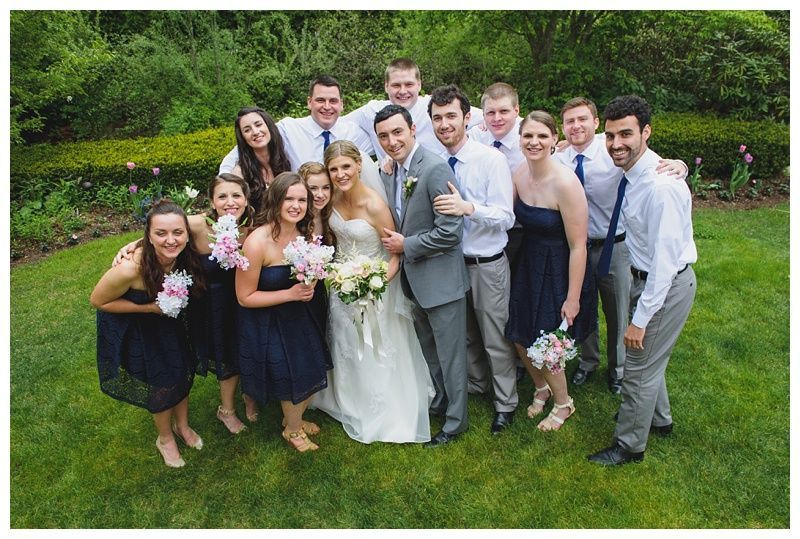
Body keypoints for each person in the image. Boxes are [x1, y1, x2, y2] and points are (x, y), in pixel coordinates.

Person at [587, 95, 696, 466]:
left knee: (636, 369)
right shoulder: (639, 171)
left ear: (646, 132)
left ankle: (630, 445)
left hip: (663, 285)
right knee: (649, 360)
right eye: (611, 135)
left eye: (626, 134)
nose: (616, 144)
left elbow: (664, 267)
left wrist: (639, 320)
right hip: (646, 278)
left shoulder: (661, 187)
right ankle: (660, 420)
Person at [554, 97, 688, 395]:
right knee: (580, 305)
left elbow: (652, 164)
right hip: (575, 248)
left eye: (582, 119)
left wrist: (681, 166)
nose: (576, 126)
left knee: (617, 310)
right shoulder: (558, 156)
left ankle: (618, 369)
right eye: (569, 121)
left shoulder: (614, 149)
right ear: (562, 128)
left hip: (614, 246)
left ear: (595, 123)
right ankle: (588, 362)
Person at [111, 175, 262, 431]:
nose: (230, 202)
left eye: (236, 195)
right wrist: (130, 245)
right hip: (207, 304)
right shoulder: (198, 225)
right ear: (212, 201)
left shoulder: (251, 229)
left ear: (246, 199)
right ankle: (226, 410)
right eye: (222, 196)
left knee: (246, 350)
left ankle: (250, 396)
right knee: (223, 355)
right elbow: (163, 233)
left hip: (242, 300)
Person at [312, 140, 434, 443]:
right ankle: (346, 399)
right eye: (334, 169)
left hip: (375, 287)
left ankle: (380, 405)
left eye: (346, 167)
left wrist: (375, 286)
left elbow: (395, 253)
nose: (340, 174)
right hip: (341, 286)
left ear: (358, 165)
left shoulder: (375, 205)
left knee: (374, 345)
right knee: (344, 341)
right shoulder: (331, 200)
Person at [375, 104, 470, 448]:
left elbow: (450, 233)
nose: (391, 141)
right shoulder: (393, 170)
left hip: (442, 283)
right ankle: (441, 400)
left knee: (451, 356)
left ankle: (456, 423)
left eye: (397, 132)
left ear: (413, 129)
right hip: (414, 283)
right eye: (384, 136)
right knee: (430, 351)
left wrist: (406, 245)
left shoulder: (433, 168)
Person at [428, 85, 518, 435]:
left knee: (494, 338)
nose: (444, 124)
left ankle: (506, 402)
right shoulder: (432, 159)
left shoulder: (490, 160)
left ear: (468, 118)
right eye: (437, 118)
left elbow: (506, 216)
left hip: (486, 263)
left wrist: (469, 209)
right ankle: (478, 385)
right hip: (448, 264)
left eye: (451, 116)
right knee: (464, 336)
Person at [91, 200, 206, 468]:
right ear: (149, 235)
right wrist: (148, 308)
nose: (170, 240)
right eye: (160, 233)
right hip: (141, 326)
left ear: (187, 233)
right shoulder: (130, 269)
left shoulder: (184, 254)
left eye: (177, 232)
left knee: (183, 369)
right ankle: (165, 438)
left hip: (173, 322)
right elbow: (98, 301)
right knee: (162, 381)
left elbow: (206, 218)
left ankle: (183, 426)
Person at [504, 111, 596, 432]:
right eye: (528, 136)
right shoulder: (518, 174)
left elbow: (579, 245)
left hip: (560, 266)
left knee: (547, 342)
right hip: (528, 263)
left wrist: (573, 298)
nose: (534, 142)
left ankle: (563, 402)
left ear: (553, 140)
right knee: (518, 332)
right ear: (519, 140)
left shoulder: (566, 183)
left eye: (542, 136)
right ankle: (540, 387)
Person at [235, 172, 332, 452]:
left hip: (303, 315)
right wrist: (289, 294)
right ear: (275, 199)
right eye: (289, 198)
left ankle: (296, 420)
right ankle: (292, 430)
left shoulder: (305, 236)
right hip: (269, 320)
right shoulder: (257, 242)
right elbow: (244, 297)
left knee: (314, 369)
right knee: (293, 375)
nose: (296, 205)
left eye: (302, 199)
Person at [219, 77, 381, 191]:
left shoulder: (353, 133)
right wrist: (226, 182)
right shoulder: (289, 128)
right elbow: (243, 148)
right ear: (309, 102)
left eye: (333, 101)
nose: (327, 106)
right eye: (320, 100)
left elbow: (384, 138)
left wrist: (386, 159)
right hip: (301, 211)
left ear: (341, 105)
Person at [344, 58, 484, 160]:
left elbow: (485, 116)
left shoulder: (436, 107)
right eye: (396, 85)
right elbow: (337, 125)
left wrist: (483, 127)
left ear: (419, 85)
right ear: (386, 86)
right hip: (392, 188)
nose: (403, 91)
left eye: (409, 84)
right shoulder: (372, 112)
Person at [230, 107, 292, 213]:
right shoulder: (240, 173)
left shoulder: (287, 161)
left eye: (258, 125)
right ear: (243, 138)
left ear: (268, 126)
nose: (255, 132)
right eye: (247, 130)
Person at [297, 161, 336, 248]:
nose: (320, 195)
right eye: (313, 188)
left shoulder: (332, 217)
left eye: (326, 188)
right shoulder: (295, 219)